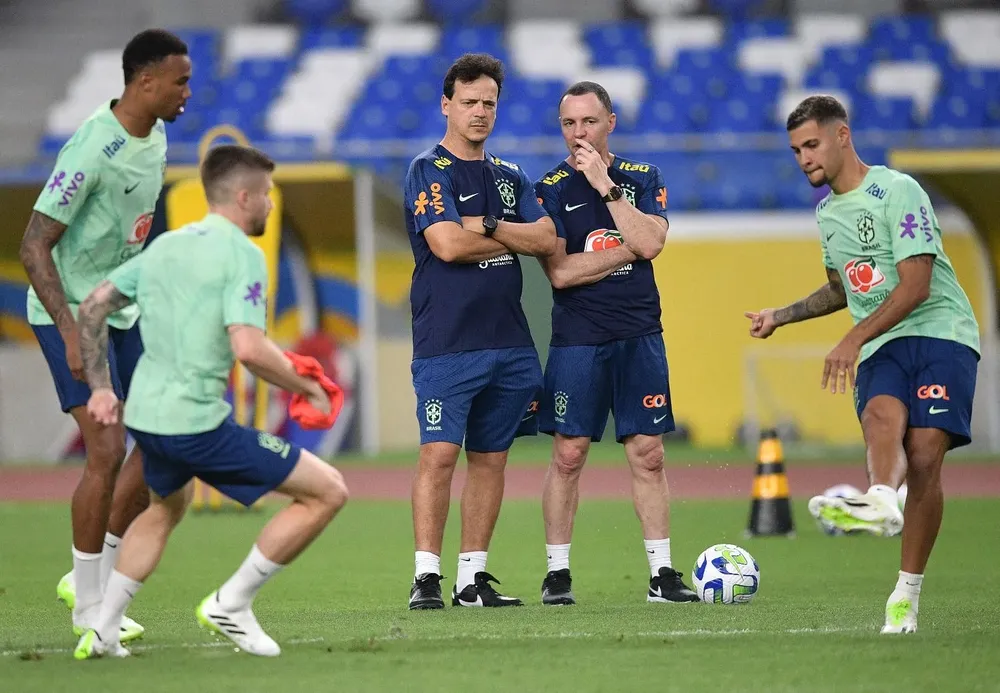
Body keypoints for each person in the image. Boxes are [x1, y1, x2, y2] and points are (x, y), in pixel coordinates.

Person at [71, 145, 349, 659]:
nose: (270, 205)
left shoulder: (165, 247)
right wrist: (305, 385)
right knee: (327, 491)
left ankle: (103, 631)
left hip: (149, 420)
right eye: (265, 195)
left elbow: (92, 307)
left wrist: (101, 387)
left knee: (165, 507)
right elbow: (247, 347)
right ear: (243, 197)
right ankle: (232, 602)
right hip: (195, 423)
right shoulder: (241, 252)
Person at [745, 95, 980, 634]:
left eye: (812, 145)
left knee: (924, 456)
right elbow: (841, 288)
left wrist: (851, 337)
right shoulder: (827, 213)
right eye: (796, 150)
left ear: (842, 136)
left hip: (941, 331)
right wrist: (781, 315)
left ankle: (906, 594)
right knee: (879, 416)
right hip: (882, 343)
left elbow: (917, 284)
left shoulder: (897, 190)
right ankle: (879, 499)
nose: (804, 158)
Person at [19, 28, 192, 642]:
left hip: (124, 309)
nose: (187, 94)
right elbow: (33, 245)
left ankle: (93, 576)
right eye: (180, 81)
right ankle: (89, 607)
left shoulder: (161, 133)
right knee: (107, 447)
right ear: (144, 82)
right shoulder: (92, 148)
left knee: (166, 439)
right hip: (72, 312)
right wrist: (69, 331)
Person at [532, 81, 698, 606]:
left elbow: (652, 241)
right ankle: (557, 573)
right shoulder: (550, 188)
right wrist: (627, 251)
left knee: (648, 454)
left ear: (611, 122)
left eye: (588, 122)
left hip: (639, 333)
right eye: (568, 123)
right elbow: (559, 273)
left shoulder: (642, 177)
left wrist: (606, 188)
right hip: (578, 338)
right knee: (569, 454)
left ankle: (662, 574)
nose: (577, 133)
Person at [402, 53, 557, 609]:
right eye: (469, 102)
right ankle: (426, 577)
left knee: (492, 459)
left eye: (489, 103)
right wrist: (514, 237)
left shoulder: (511, 176)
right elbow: (445, 244)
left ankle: (471, 580)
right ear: (447, 106)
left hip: (511, 344)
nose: (480, 112)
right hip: (447, 343)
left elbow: (549, 241)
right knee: (439, 456)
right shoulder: (428, 169)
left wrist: (489, 227)